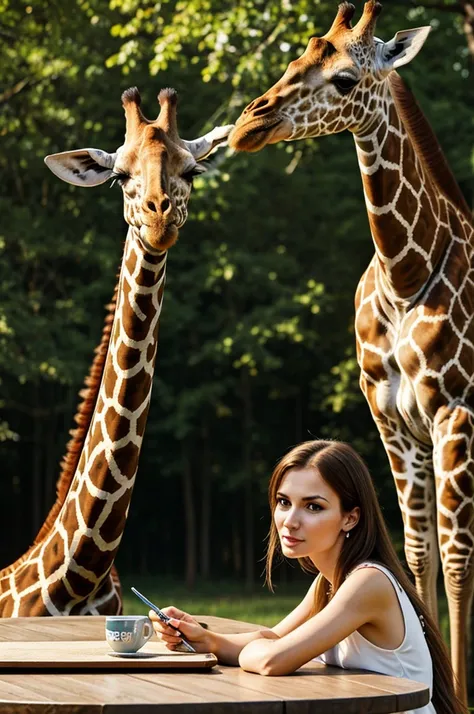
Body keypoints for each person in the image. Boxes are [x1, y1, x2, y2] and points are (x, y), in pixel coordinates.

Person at [150, 440, 467, 714]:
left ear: (350, 518)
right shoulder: (328, 583)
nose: (290, 521)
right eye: (284, 502)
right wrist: (207, 640)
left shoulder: (369, 583)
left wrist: (258, 651)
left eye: (313, 507)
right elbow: (275, 638)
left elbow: (273, 659)